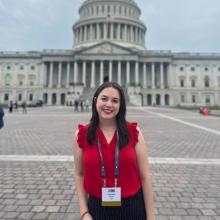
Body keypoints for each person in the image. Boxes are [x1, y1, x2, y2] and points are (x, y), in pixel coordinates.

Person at [73, 82, 155, 220]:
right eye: (104, 99)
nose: (109, 105)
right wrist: (84, 212)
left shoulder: (134, 133)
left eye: (115, 101)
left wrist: (151, 217)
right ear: (95, 100)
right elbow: (79, 174)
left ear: (120, 105)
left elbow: (145, 177)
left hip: (133, 208)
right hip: (96, 209)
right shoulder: (82, 135)